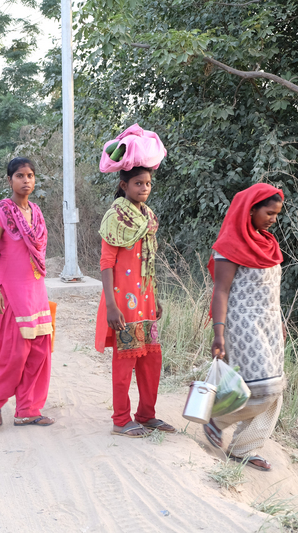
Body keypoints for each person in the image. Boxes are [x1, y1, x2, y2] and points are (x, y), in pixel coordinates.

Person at [95, 124, 175, 438]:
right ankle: (120, 419)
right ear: (124, 185)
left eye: (148, 183)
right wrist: (111, 306)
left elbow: (149, 262)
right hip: (123, 300)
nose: (144, 188)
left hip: (145, 298)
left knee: (151, 359)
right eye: (138, 183)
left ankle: (146, 414)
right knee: (124, 362)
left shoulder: (148, 217)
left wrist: (155, 297)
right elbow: (106, 263)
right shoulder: (115, 217)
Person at [204, 182, 286, 471]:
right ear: (250, 210)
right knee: (263, 388)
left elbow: (272, 290)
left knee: (276, 389)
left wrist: (280, 321)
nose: (273, 219)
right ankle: (217, 420)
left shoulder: (268, 244)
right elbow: (221, 291)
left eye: (276, 214)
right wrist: (219, 332)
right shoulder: (229, 246)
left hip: (270, 324)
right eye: (268, 213)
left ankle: (244, 448)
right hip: (243, 323)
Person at [0, 158, 54, 428]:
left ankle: (27, 409)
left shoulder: (36, 212)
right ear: (9, 180)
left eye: (30, 175)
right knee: (15, 353)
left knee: (39, 352)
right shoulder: (1, 212)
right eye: (20, 175)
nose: (26, 180)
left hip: (35, 291)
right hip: (10, 293)